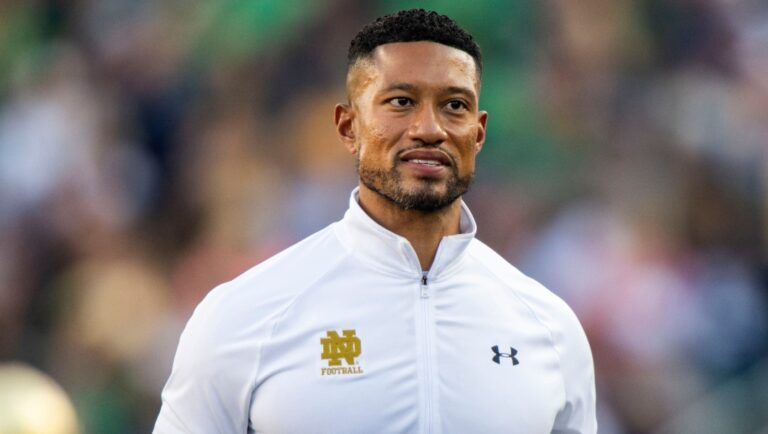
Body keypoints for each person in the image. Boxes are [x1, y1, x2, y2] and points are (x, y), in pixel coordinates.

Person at [154, 9, 596, 433]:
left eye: (454, 105)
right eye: (401, 102)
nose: (429, 128)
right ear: (348, 127)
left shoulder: (549, 328)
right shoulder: (245, 315)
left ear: (478, 133)